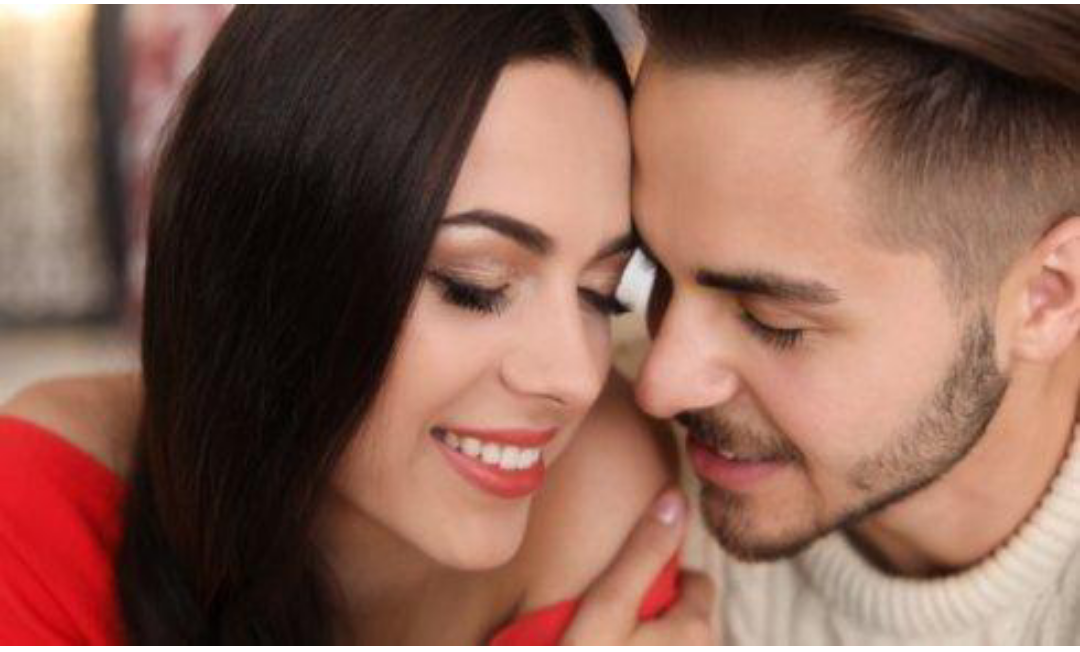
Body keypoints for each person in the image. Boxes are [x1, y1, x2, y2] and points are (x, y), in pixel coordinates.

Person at [0, 7, 714, 644]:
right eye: (476, 286)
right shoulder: (46, 500)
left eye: (600, 294)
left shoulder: (603, 500)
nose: (576, 377)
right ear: (270, 270)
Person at [619, 5, 1080, 645]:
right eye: (654, 271)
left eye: (772, 321)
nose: (659, 385)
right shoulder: (595, 479)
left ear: (1046, 297)